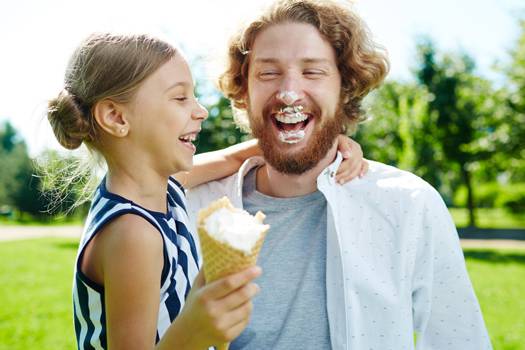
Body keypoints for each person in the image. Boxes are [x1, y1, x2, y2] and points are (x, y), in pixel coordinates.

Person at [186, 1, 493, 349]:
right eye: (268, 73)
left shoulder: (409, 204)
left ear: (345, 87)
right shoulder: (194, 205)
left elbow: (459, 340)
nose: (289, 92)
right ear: (244, 90)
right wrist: (240, 154)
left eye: (312, 72)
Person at [46, 32, 366, 349]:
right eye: (180, 98)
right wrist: (194, 331)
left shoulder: (162, 187)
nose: (200, 111)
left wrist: (322, 141)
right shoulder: (133, 233)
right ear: (116, 117)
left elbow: (235, 156)